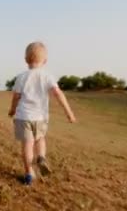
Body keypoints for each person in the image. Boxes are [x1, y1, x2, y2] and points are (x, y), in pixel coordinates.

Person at [8, 41, 76, 185]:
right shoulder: (47, 76)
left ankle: (28, 175)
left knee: (27, 145)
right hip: (40, 117)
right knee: (40, 139)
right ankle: (41, 157)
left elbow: (16, 96)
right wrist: (69, 112)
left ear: (26, 59)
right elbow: (57, 93)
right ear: (45, 61)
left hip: (23, 116)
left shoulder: (21, 77)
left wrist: (12, 109)